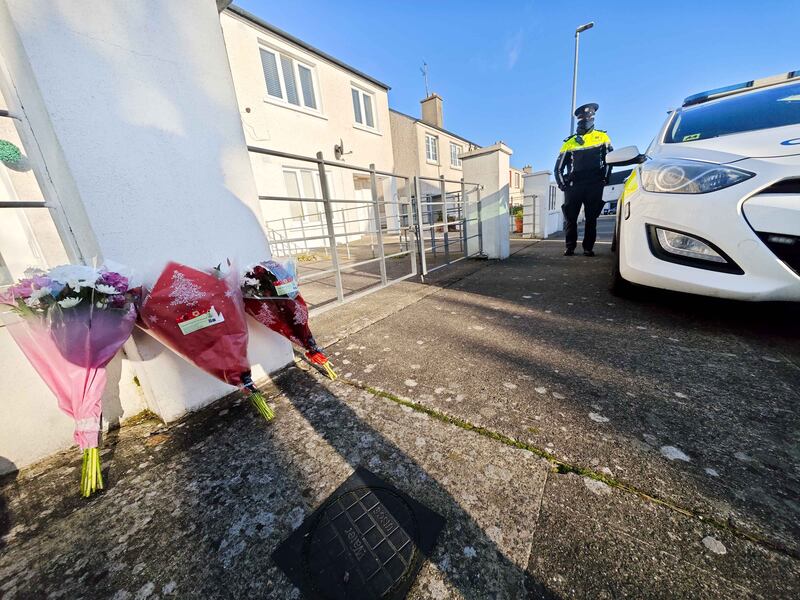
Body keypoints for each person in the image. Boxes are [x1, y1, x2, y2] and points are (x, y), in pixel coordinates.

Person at [554, 103, 613, 256]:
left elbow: (609, 161)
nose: (586, 119)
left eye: (589, 116)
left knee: (591, 219)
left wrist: (604, 180)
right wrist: (563, 185)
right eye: (582, 117)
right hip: (574, 186)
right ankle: (570, 247)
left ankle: (588, 248)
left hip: (594, 185)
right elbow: (558, 167)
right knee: (570, 219)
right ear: (579, 119)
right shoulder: (570, 142)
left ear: (593, 117)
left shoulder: (602, 137)